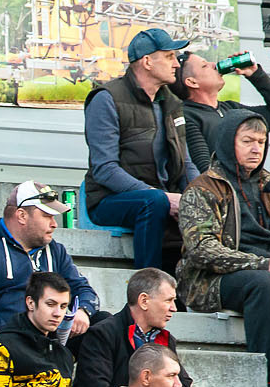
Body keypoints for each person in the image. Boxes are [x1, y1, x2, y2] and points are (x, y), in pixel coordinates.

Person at [176, 113, 270, 387]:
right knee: (262, 283)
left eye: (261, 141)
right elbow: (201, 250)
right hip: (213, 279)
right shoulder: (203, 189)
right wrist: (260, 264)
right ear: (227, 142)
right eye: (247, 141)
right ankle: (268, 380)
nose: (256, 148)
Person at [81, 30, 194, 277]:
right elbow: (105, 170)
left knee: (206, 202)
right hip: (110, 199)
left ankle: (186, 293)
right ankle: (147, 283)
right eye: (169, 56)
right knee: (153, 202)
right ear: (147, 61)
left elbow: (186, 162)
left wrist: (200, 196)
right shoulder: (106, 98)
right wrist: (163, 196)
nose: (177, 64)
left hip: (160, 197)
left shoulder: (172, 102)